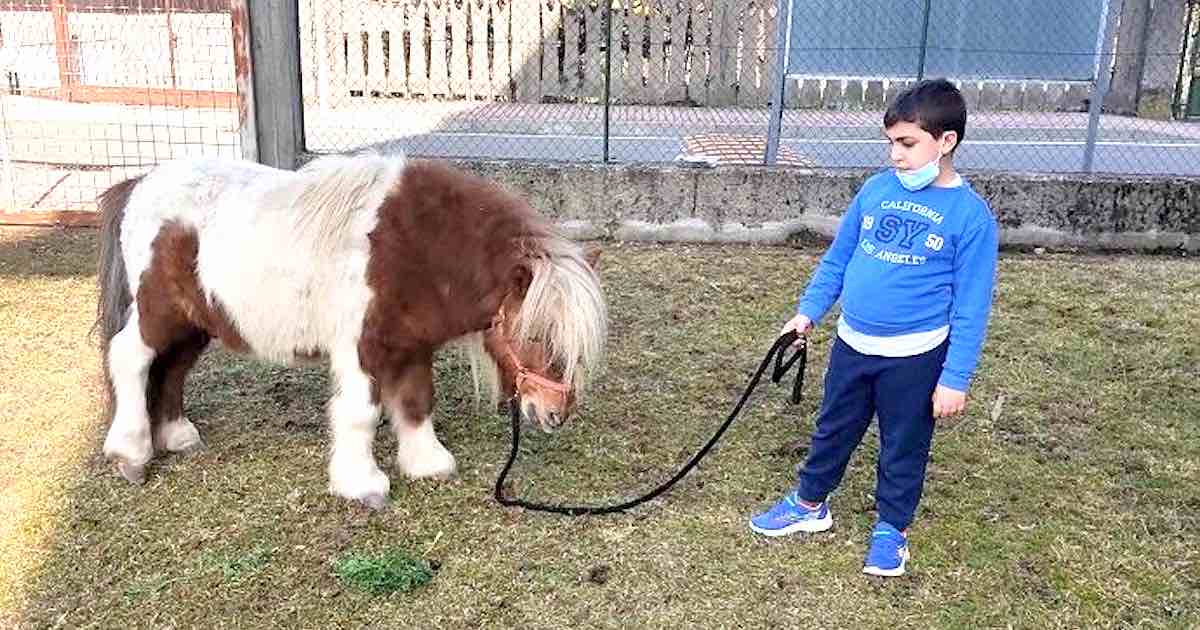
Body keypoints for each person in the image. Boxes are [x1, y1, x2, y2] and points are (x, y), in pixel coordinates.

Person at [748, 78, 999, 577]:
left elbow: (971, 307)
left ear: (945, 142)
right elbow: (837, 260)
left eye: (907, 144)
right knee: (833, 428)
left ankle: (892, 529)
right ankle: (809, 504)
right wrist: (807, 312)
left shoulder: (972, 218)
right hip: (851, 345)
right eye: (890, 143)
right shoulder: (875, 190)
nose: (896, 156)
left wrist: (954, 379)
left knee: (904, 443)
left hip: (915, 358)